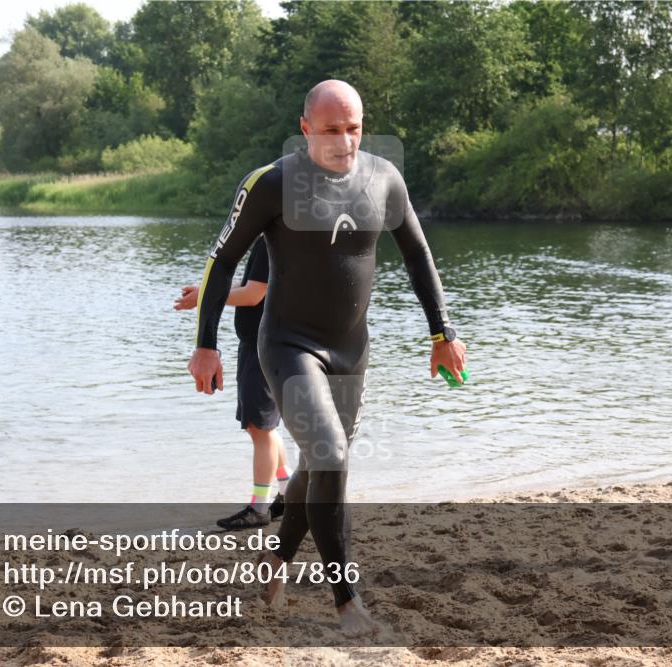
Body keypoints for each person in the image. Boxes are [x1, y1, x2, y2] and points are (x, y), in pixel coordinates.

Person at [187, 80, 466, 635]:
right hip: (288, 345)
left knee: (319, 464)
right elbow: (220, 264)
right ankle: (346, 602)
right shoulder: (272, 183)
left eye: (354, 128)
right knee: (332, 454)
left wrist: (443, 332)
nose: (345, 141)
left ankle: (276, 559)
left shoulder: (384, 179)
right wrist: (206, 344)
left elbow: (417, 254)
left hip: (351, 350)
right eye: (332, 129)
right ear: (306, 127)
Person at [175, 235, 293, 529]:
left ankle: (259, 507)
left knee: (259, 428)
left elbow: (254, 295)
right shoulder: (269, 238)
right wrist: (207, 290)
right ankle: (288, 493)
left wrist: (209, 295)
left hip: (263, 345)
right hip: (262, 343)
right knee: (265, 426)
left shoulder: (273, 241)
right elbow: (246, 287)